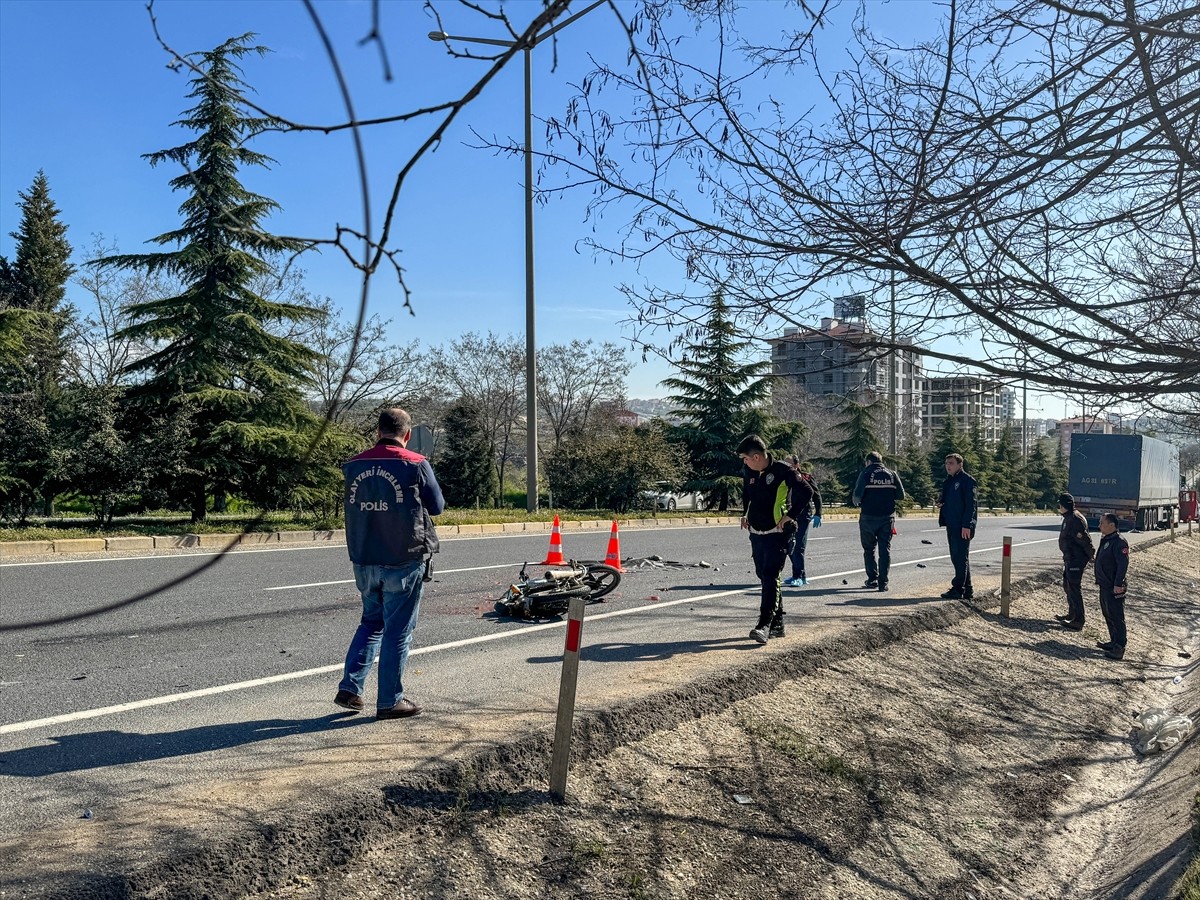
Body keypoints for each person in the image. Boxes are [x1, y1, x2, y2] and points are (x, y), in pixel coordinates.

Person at [335, 408, 445, 719]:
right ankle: (389, 701)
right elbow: (436, 507)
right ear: (407, 435)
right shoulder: (415, 463)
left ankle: (351, 688)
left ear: (377, 431)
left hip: (364, 557)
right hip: (403, 557)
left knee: (371, 623)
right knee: (398, 630)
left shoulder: (354, 465)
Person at [738, 435, 812, 643]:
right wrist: (745, 513)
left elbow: (806, 492)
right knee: (763, 575)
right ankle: (778, 622)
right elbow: (747, 493)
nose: (744, 462)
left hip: (777, 533)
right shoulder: (750, 471)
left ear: (756, 456)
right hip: (756, 532)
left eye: (745, 458)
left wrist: (791, 515)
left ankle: (764, 625)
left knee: (771, 576)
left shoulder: (782, 470)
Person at [851, 450, 906, 592]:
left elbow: (857, 496)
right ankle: (883, 583)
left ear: (868, 462)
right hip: (887, 517)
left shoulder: (865, 473)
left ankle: (872, 579)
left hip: (868, 517)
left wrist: (860, 501)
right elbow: (901, 495)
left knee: (869, 549)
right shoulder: (892, 474)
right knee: (885, 550)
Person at [936, 453, 977, 600]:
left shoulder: (967, 481)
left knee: (959, 557)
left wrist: (967, 525)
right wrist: (941, 502)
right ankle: (968, 589)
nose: (948, 466)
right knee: (959, 557)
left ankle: (958, 589)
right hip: (952, 523)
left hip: (962, 525)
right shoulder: (949, 481)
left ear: (960, 465)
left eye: (951, 463)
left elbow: (971, 506)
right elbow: (948, 499)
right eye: (946, 463)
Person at [1055, 492, 1094, 631]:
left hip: (1076, 559)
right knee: (1067, 585)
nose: (1059, 506)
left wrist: (1091, 555)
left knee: (1074, 588)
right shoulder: (1068, 517)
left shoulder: (1075, 519)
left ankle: (1078, 619)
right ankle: (1072, 614)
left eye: (1060, 504)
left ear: (1064, 505)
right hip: (1070, 557)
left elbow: (1084, 539)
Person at [782, 455, 823, 587]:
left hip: (803, 515)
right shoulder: (782, 478)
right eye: (785, 464)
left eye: (790, 464)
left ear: (797, 465)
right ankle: (800, 574)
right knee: (788, 546)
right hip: (788, 515)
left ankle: (798, 576)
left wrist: (818, 513)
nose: (787, 466)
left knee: (798, 546)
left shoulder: (805, 478)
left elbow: (816, 495)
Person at [1094, 512, 1130, 660]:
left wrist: (1118, 584)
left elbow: (1123, 565)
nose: (1099, 525)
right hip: (1105, 584)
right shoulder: (1106, 539)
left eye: (1102, 523)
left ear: (1112, 525)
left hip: (1114, 586)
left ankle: (1119, 647)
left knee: (1116, 616)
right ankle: (1113, 640)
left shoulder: (1119, 542)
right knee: (1107, 613)